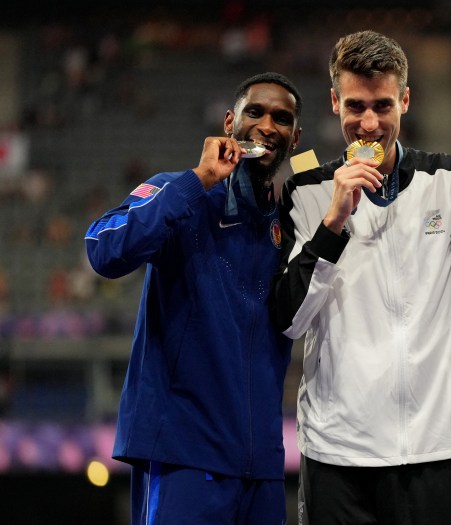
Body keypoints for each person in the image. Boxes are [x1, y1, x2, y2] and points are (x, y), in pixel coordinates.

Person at [269, 30, 451, 525]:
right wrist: (334, 221)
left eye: (383, 106)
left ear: (405, 100)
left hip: (442, 447)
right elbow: (288, 319)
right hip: (340, 455)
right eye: (356, 106)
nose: (369, 123)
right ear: (334, 102)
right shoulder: (306, 193)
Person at [85, 72, 302, 525]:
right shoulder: (182, 195)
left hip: (261, 465)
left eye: (282, 118)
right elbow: (103, 250)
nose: (267, 125)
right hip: (185, 452)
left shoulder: (290, 227)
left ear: (294, 138)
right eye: (255, 112)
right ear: (229, 123)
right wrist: (198, 179)